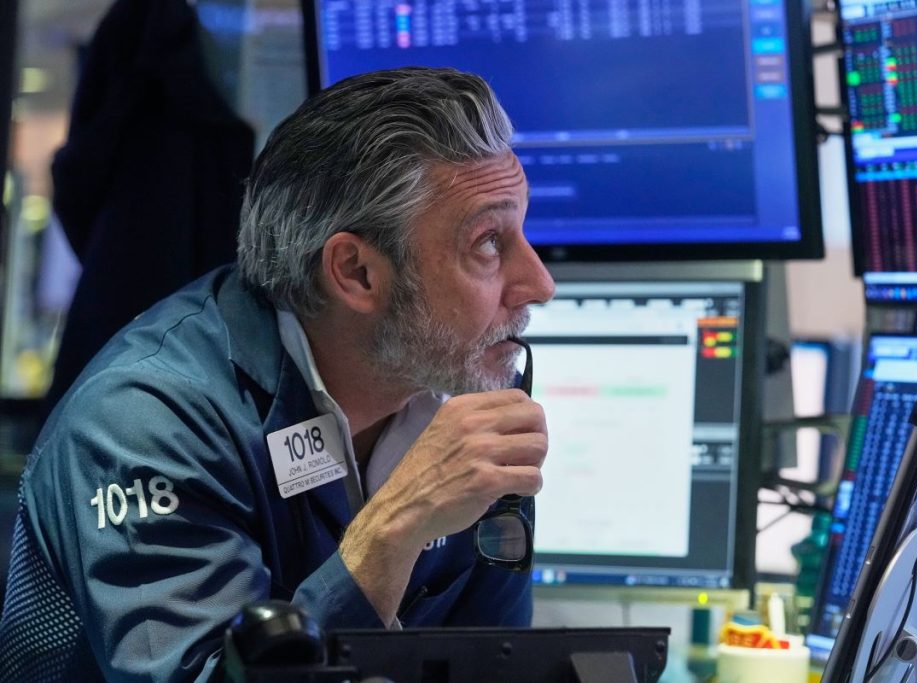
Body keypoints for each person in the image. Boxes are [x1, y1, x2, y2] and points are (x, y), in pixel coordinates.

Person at [0, 66, 555, 682]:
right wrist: (396, 527)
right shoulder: (145, 420)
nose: (540, 283)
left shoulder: (461, 391)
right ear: (356, 273)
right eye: (488, 243)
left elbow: (498, 665)